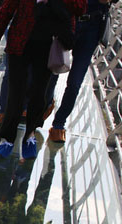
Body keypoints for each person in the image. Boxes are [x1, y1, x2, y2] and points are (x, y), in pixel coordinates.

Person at [0, 0, 86, 160]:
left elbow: (80, 8)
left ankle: (29, 135)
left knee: (38, 92)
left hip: (49, 44)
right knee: (16, 92)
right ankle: (8, 138)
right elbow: (6, 10)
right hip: (20, 41)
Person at [48, 0, 117, 143]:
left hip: (93, 26)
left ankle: (58, 124)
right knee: (54, 68)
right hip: (68, 18)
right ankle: (46, 103)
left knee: (74, 83)